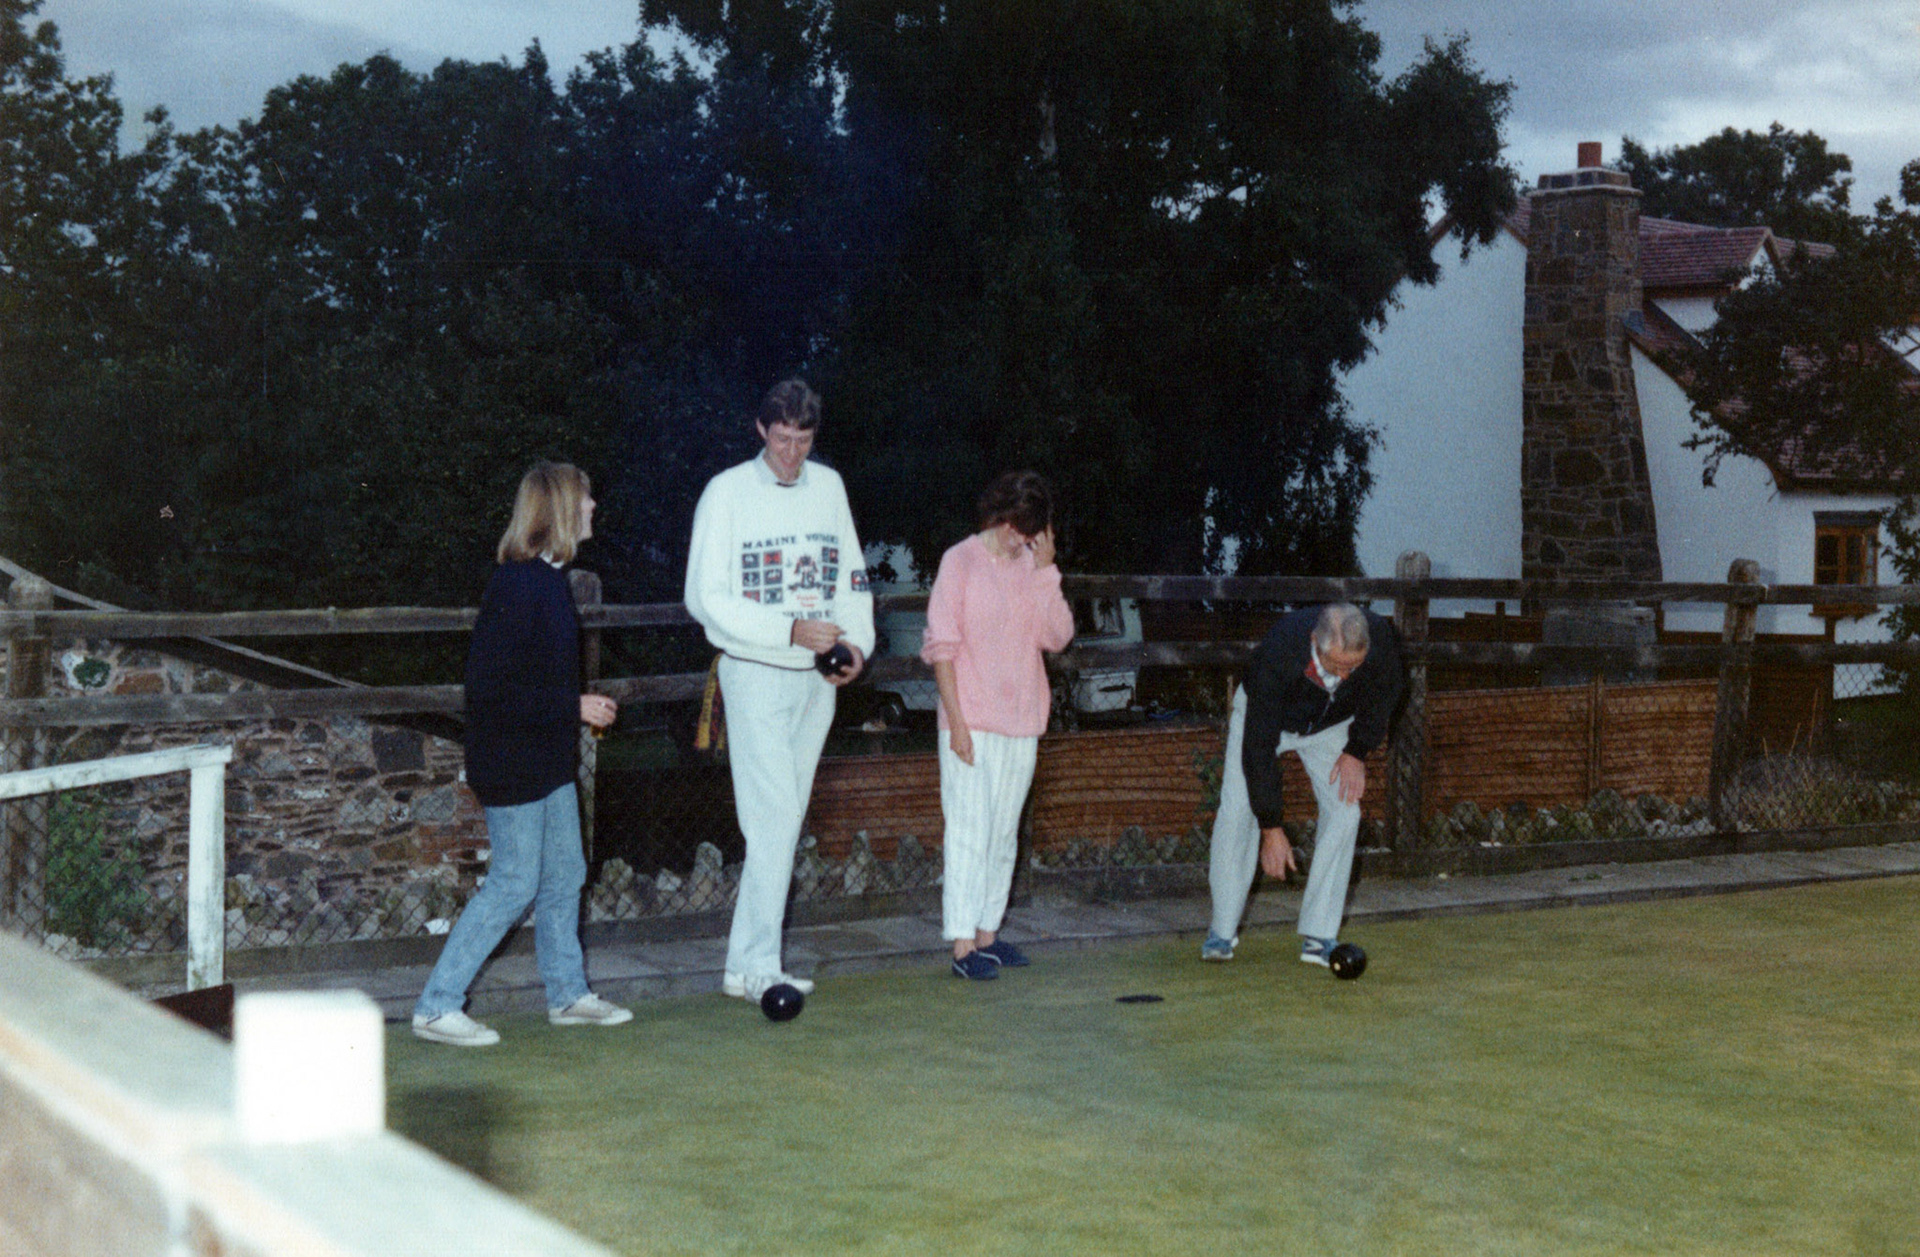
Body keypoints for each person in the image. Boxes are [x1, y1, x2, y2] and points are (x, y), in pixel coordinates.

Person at [413, 462, 633, 1046]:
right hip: (511, 759)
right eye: (585, 499)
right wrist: (574, 705)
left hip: (545, 758)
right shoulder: (518, 583)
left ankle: (567, 995)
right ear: (560, 507)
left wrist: (572, 705)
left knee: (565, 873)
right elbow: (492, 691)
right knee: (514, 883)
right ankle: (437, 1006)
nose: (593, 508)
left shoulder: (548, 580)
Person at [684, 379, 875, 1003]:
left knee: (782, 822)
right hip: (754, 672)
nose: (793, 453)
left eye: (804, 440)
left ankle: (744, 965)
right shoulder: (727, 492)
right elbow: (705, 598)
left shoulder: (831, 487)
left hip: (816, 679)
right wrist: (788, 629)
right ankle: (763, 965)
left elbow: (850, 577)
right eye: (783, 438)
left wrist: (858, 649)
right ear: (760, 430)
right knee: (773, 820)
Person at [922, 472, 1076, 980]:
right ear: (1000, 514)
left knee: (1004, 831)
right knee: (969, 830)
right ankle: (963, 946)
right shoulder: (959, 561)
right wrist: (957, 724)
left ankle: (989, 933)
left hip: (1022, 719)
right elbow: (941, 649)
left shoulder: (1032, 566)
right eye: (1016, 529)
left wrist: (1047, 572)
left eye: (1031, 534)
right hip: (971, 720)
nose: (1020, 541)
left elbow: (1057, 636)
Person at [1203, 602, 1403, 966]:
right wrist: (1271, 827)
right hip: (1269, 720)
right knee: (1236, 810)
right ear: (1315, 641)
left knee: (1345, 812)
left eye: (1353, 667)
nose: (1344, 677)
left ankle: (1319, 936)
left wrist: (1357, 750)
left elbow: (1386, 693)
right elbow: (1258, 749)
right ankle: (1221, 931)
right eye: (1337, 665)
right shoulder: (1280, 651)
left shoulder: (1380, 642)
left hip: (1330, 727)